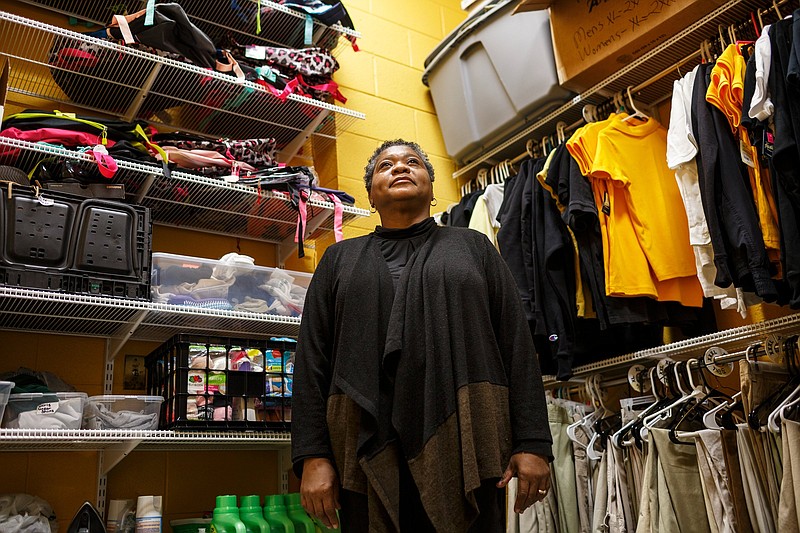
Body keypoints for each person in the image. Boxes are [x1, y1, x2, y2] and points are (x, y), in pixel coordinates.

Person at [291, 139, 552, 532]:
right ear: (370, 195)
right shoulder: (339, 259)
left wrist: (533, 442)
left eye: (412, 162)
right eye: (385, 166)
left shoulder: (473, 247)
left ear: (431, 188)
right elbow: (312, 359)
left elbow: (516, 345)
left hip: (467, 441)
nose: (400, 167)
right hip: (364, 444)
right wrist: (312, 455)